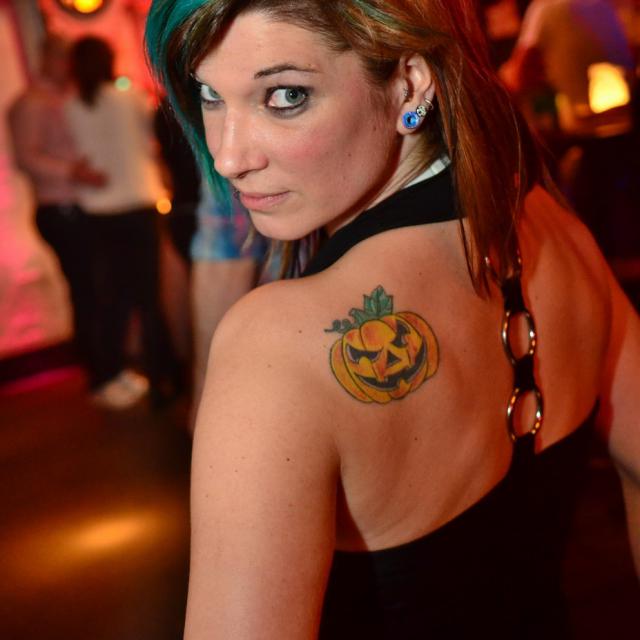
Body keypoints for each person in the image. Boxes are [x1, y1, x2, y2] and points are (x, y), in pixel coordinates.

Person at [146, 1, 640, 637]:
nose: (227, 157)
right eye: (210, 96)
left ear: (410, 82)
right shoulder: (549, 223)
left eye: (286, 96)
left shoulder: (275, 347)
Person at [65, 36, 179, 409]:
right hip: (139, 204)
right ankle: (163, 376)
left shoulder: (70, 106)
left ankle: (112, 372)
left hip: (98, 211)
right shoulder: (129, 98)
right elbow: (153, 143)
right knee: (148, 297)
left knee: (113, 297)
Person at [8, 33, 106, 380]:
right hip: (59, 208)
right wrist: (71, 171)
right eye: (63, 57)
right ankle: (100, 374)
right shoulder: (32, 102)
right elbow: (26, 157)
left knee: (95, 288)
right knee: (86, 289)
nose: (68, 65)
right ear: (46, 58)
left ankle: (106, 367)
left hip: (77, 206)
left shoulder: (64, 97)